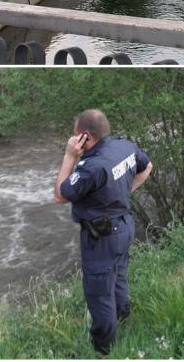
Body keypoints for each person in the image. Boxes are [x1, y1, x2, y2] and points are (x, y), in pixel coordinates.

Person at [54, 109, 153, 354]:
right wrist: (120, 194)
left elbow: (60, 195)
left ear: (85, 136)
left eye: (75, 134)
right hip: (124, 225)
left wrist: (69, 157)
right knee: (118, 275)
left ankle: (103, 349)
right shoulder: (124, 146)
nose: (73, 139)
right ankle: (123, 317)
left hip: (103, 236)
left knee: (99, 293)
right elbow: (147, 166)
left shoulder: (92, 167)